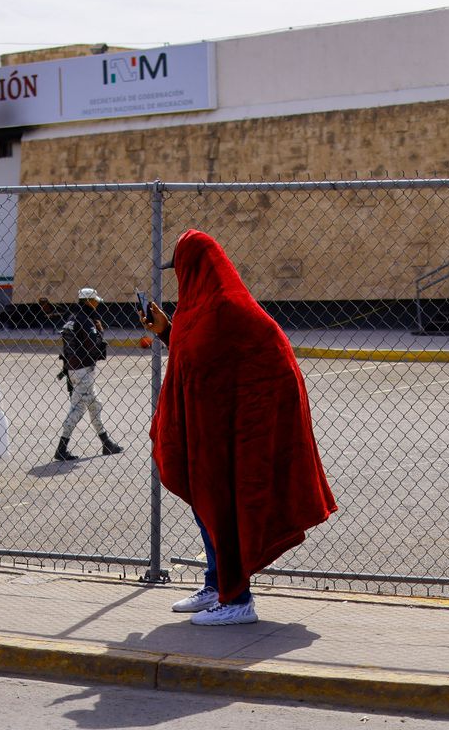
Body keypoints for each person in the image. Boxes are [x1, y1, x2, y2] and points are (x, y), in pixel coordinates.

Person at [140, 230, 336, 626]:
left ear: (195, 267)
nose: (178, 277)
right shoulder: (203, 306)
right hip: (215, 425)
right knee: (207, 500)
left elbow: (219, 357)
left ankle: (237, 600)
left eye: (180, 268)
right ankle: (217, 584)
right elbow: (197, 354)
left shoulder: (226, 306)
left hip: (242, 428)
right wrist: (166, 330)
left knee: (225, 504)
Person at [54, 287, 123, 461]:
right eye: (95, 301)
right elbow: (93, 344)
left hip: (73, 369)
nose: (97, 304)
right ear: (89, 301)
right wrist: (100, 331)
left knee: (95, 405)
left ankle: (106, 443)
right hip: (83, 370)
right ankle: (61, 448)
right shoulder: (86, 320)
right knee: (77, 409)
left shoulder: (72, 318)